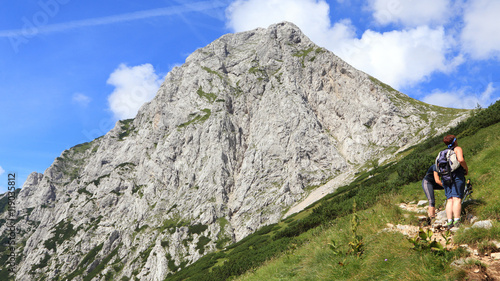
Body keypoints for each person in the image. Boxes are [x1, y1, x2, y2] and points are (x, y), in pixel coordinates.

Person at [441, 135, 469, 229]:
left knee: (450, 199)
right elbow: (460, 159)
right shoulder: (457, 148)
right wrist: (466, 169)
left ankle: (449, 222)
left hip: (445, 177)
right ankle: (457, 220)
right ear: (454, 141)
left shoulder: (444, 152)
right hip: (456, 175)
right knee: (457, 198)